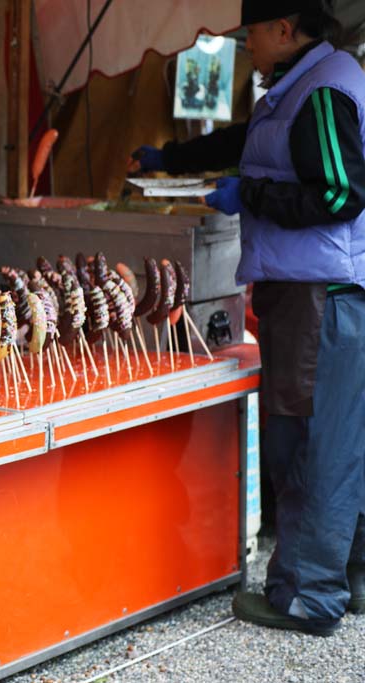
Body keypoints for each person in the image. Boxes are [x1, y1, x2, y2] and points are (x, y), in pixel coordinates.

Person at [133, 0, 365, 636]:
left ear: (285, 30)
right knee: (339, 437)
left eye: (252, 34)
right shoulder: (302, 86)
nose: (246, 46)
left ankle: (308, 597)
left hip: (319, 294)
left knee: (313, 443)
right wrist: (170, 161)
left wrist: (250, 195)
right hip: (317, 287)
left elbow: (340, 193)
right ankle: (349, 576)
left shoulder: (325, 92)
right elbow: (251, 142)